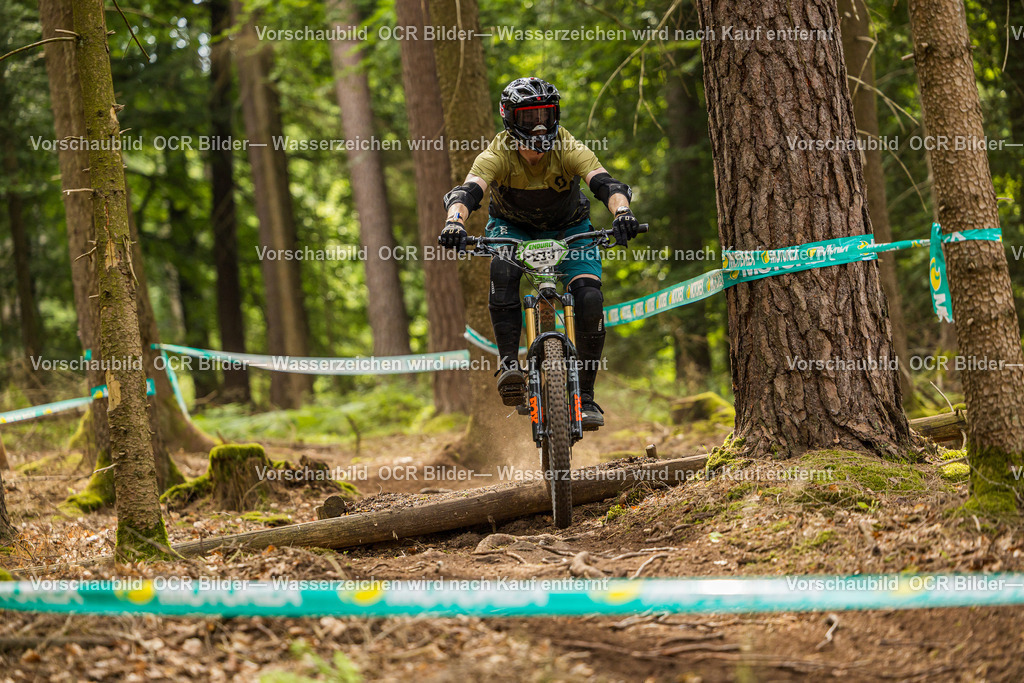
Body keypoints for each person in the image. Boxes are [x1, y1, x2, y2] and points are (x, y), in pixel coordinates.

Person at [439, 77, 640, 430]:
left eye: (546, 115)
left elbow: (606, 184)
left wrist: (622, 214)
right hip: (512, 228)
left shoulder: (569, 147)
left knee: (590, 296)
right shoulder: (498, 152)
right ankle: (508, 365)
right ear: (511, 119)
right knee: (502, 272)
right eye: (530, 118)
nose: (540, 126)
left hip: (571, 228)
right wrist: (454, 223)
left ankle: (587, 397)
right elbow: (468, 192)